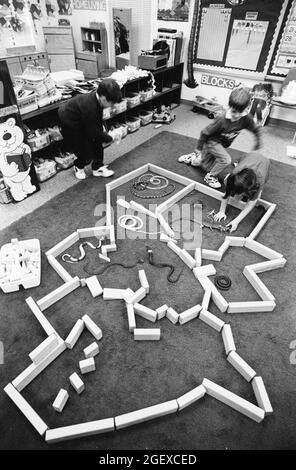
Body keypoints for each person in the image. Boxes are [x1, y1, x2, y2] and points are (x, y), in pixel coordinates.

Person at [178, 87, 262, 188]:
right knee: (226, 160)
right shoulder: (222, 119)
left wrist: (257, 141)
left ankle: (193, 158)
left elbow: (255, 129)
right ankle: (210, 176)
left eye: (240, 112)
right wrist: (199, 148)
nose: (237, 115)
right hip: (212, 142)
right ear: (230, 106)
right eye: (234, 111)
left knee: (200, 163)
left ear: (246, 109)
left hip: (223, 143)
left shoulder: (246, 119)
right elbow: (205, 132)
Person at [58, 78, 122, 180]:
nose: (113, 106)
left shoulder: (99, 100)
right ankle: (78, 166)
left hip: (82, 116)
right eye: (112, 103)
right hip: (69, 121)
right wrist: (111, 137)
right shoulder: (91, 107)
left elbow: (97, 127)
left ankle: (98, 167)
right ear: (104, 99)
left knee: (97, 142)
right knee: (84, 149)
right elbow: (94, 133)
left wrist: (104, 133)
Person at [213, 151, 270, 232]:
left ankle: (250, 193)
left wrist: (236, 221)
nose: (236, 196)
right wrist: (222, 211)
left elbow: (250, 205)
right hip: (249, 156)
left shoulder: (258, 182)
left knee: (256, 196)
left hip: (264, 162)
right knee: (229, 183)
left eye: (241, 193)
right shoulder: (234, 175)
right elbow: (226, 193)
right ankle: (239, 190)